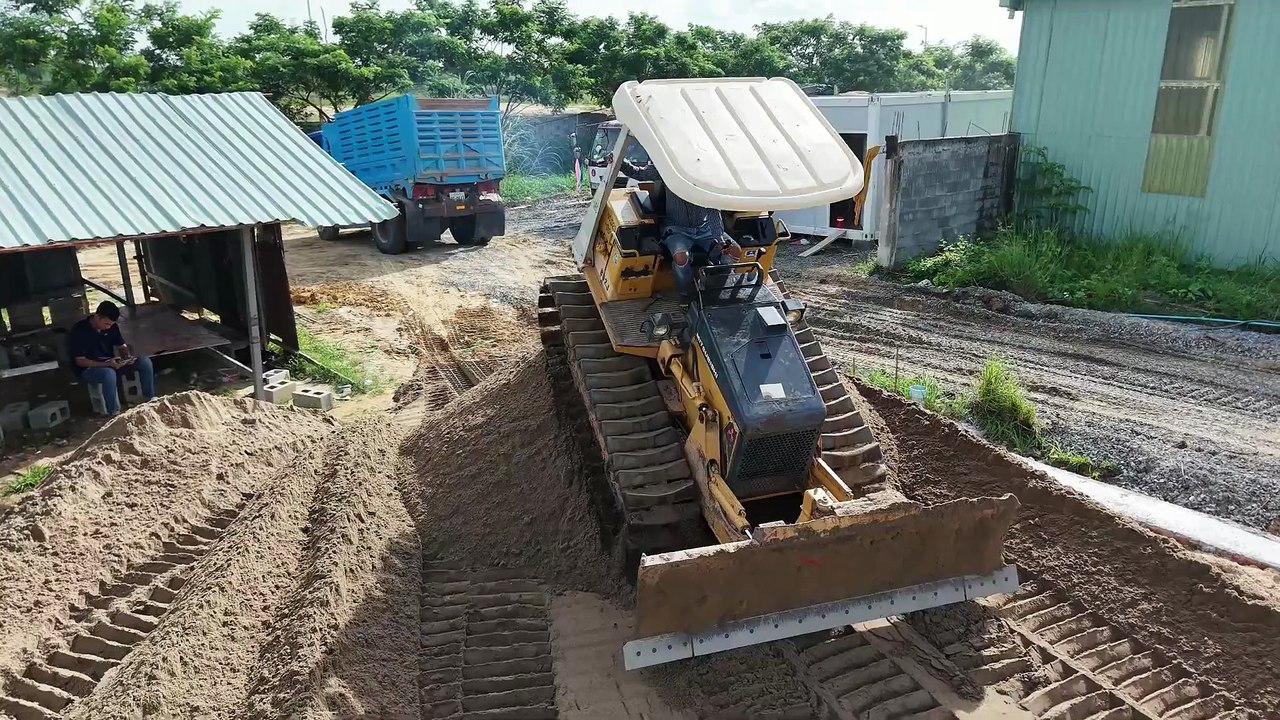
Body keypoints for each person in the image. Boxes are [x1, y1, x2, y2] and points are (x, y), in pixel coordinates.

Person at [619, 158, 743, 301]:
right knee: (681, 256)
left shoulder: (707, 177)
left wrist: (719, 238)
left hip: (704, 229)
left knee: (734, 250)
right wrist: (621, 163)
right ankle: (686, 296)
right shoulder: (667, 169)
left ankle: (718, 291)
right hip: (676, 229)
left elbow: (713, 209)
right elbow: (639, 174)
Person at [69, 301, 154, 416]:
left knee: (144, 361)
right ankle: (114, 413)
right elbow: (80, 361)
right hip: (89, 369)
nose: (109, 327)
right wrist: (107, 364)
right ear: (97, 317)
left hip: (111, 364)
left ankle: (150, 399)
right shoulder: (79, 330)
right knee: (108, 373)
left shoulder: (112, 327)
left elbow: (122, 346)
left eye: (111, 324)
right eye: (106, 324)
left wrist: (126, 357)